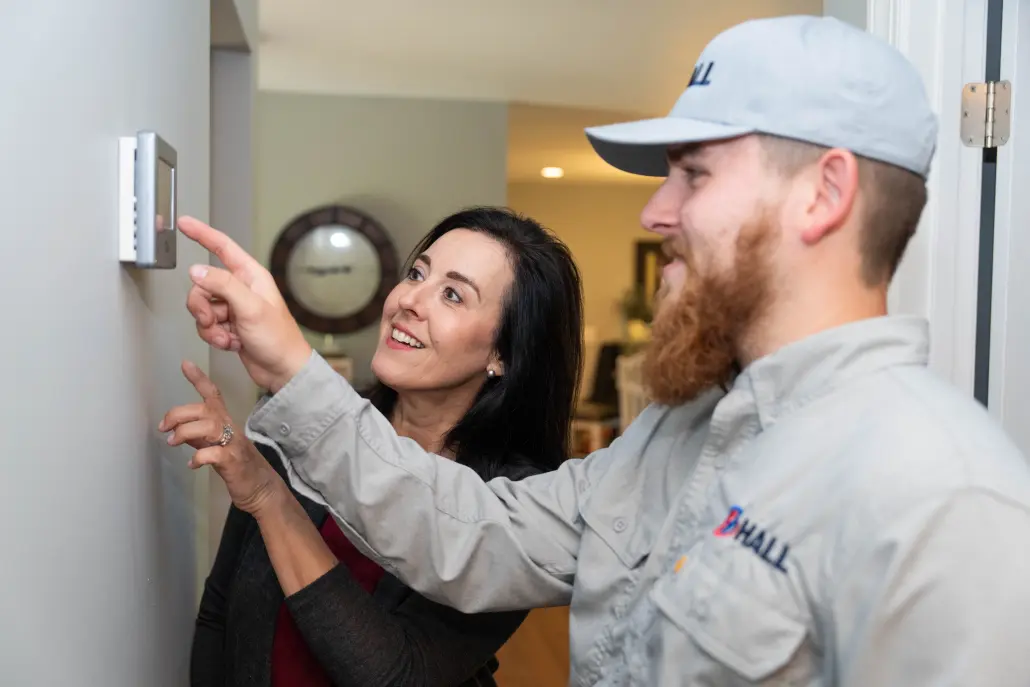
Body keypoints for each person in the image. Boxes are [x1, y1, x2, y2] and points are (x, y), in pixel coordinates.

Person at [177, 15, 1030, 686]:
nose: (656, 213)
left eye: (694, 175)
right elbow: (470, 532)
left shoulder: (941, 496)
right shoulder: (676, 434)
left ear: (824, 193)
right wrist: (291, 367)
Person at [161, 207, 584, 686]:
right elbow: (219, 614)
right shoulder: (301, 424)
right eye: (416, 274)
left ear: (502, 353)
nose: (409, 300)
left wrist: (268, 499)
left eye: (452, 294)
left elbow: (396, 675)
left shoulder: (515, 509)